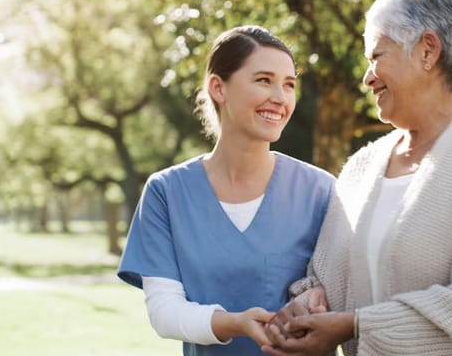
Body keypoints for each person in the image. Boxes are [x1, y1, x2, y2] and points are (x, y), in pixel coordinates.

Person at [262, 0, 452, 355]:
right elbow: (325, 277)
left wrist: (355, 325)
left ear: (428, 51)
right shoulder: (363, 166)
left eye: (376, 56)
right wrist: (311, 300)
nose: (367, 78)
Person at [117, 25, 335, 356]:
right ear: (218, 88)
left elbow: (345, 293)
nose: (280, 97)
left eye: (289, 85)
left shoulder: (321, 190)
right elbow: (164, 312)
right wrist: (234, 323)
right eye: (264, 80)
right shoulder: (166, 192)